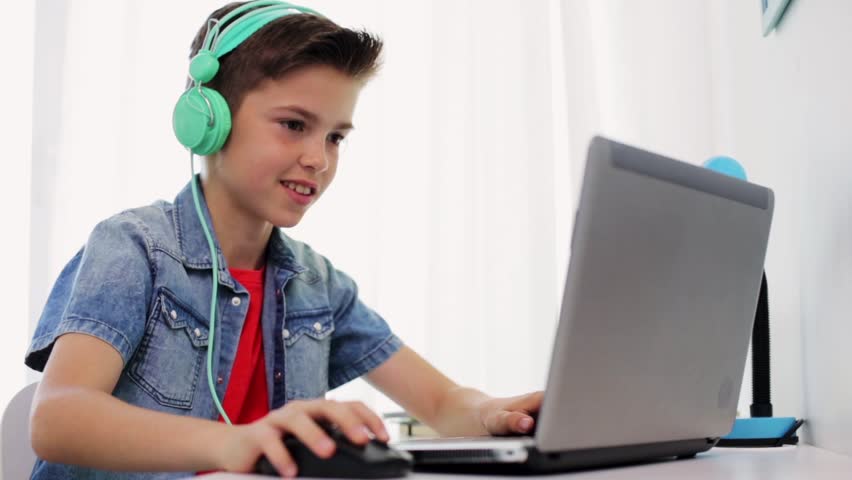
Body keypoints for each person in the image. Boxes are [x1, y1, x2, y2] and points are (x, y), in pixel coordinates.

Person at [25, 2, 543, 478]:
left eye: (335, 136)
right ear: (208, 122)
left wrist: (492, 412)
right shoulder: (135, 249)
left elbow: (443, 404)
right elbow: (58, 418)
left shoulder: (318, 286)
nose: (319, 158)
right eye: (294, 125)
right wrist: (229, 443)